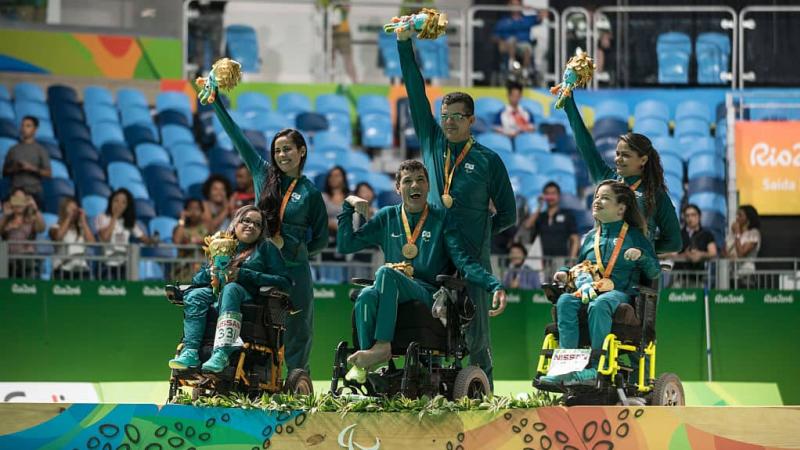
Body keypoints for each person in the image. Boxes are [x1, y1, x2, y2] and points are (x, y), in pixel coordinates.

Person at [399, 27, 517, 388]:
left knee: (477, 335)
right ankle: (426, 391)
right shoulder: (432, 141)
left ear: (472, 120)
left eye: (456, 116)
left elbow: (509, 215)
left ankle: (486, 398)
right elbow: (415, 89)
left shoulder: (488, 160)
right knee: (425, 326)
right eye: (444, 114)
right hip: (432, 250)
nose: (447, 121)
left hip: (472, 257)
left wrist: (478, 234)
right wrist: (404, 44)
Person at [337, 160, 507, 377]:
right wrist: (346, 207)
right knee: (366, 295)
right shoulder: (387, 216)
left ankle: (382, 346)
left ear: (428, 186)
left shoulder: (443, 218)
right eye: (408, 181)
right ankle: (367, 364)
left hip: (428, 293)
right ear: (398, 188)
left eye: (420, 180)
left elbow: (464, 261)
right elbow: (345, 245)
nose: (415, 186)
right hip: (391, 289)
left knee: (386, 273)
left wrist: (494, 284)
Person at [211, 94, 328, 375]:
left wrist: (296, 250)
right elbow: (237, 137)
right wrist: (216, 102)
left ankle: (298, 381)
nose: (281, 155)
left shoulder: (310, 192)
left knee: (298, 327)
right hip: (258, 262)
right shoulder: (263, 174)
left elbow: (321, 239)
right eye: (277, 150)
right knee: (256, 320)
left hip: (293, 270)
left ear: (302, 152)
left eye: (288, 149)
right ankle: (249, 374)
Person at [539, 180, 660, 386]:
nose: (597, 201)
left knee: (600, 303)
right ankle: (567, 368)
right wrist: (563, 273)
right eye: (596, 197)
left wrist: (641, 256)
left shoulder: (635, 237)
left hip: (620, 294)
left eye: (605, 198)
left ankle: (595, 368)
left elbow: (654, 271)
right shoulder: (589, 238)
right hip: (590, 292)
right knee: (566, 301)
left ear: (621, 208)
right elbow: (579, 268)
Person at [169, 205, 292, 372]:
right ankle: (190, 351)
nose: (251, 226)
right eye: (246, 221)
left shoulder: (266, 248)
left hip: (249, 299)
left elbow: (284, 280)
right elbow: (197, 280)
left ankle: (221, 353)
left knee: (231, 288)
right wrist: (210, 272)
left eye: (257, 224)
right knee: (195, 294)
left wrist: (244, 275)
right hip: (218, 293)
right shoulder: (222, 244)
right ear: (235, 223)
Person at [562, 93, 682, 255]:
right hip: (602, 270)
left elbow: (674, 242)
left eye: (625, 155)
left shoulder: (655, 194)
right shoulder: (608, 180)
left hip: (636, 276)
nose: (618, 159)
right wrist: (569, 104)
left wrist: (643, 248)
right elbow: (586, 145)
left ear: (643, 160)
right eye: (617, 154)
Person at [94, 188, 154, 280]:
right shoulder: (102, 217)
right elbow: (105, 238)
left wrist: (154, 240)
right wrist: (114, 217)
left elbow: (144, 239)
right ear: (111, 202)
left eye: (123, 202)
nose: (119, 205)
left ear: (127, 206)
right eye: (116, 201)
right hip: (106, 265)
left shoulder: (129, 222)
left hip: (123, 265)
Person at [521, 181, 580, 274]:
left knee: (559, 287)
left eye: (553, 193)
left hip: (561, 260)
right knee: (544, 287)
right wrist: (539, 206)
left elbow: (575, 239)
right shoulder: (540, 216)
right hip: (542, 261)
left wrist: (571, 259)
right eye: (547, 194)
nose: (550, 196)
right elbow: (527, 225)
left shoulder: (567, 215)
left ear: (559, 196)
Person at [2, 115, 51, 207]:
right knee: (8, 206)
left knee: (26, 207)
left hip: (33, 194)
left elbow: (48, 174)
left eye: (28, 126)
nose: (24, 128)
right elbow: (5, 172)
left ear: (35, 129)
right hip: (15, 192)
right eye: (23, 125)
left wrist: (31, 168)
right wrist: (15, 168)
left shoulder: (41, 150)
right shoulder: (13, 150)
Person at [492, 0, 541, 83]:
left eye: (518, 5)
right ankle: (511, 67)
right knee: (512, 41)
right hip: (508, 48)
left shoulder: (527, 19)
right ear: (509, 6)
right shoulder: (503, 21)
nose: (515, 7)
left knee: (526, 47)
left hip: (523, 47)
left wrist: (533, 8)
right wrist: (501, 41)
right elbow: (494, 36)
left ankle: (525, 71)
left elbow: (543, 15)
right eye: (513, 5)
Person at [0, 189, 44, 278]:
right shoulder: (6, 218)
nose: (19, 203)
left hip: (28, 261)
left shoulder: (32, 218)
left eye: (21, 200)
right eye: (16, 199)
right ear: (11, 201)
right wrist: (5, 215)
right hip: (9, 262)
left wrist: (35, 208)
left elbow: (41, 228)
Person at [49, 196, 94, 280]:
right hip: (62, 270)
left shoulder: (82, 228)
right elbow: (58, 237)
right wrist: (68, 218)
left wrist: (83, 222)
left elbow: (92, 243)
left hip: (82, 271)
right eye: (70, 208)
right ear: (64, 210)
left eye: (75, 209)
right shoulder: (55, 227)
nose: (74, 211)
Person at [674, 204, 718, 276]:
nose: (690, 218)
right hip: (679, 275)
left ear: (699, 216)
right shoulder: (678, 234)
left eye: (693, 215)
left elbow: (713, 252)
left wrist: (700, 254)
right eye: (687, 216)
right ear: (684, 218)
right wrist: (685, 255)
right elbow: (671, 254)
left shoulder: (707, 234)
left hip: (698, 276)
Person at [172, 198, 209, 281]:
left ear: (202, 211)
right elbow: (177, 241)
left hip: (201, 271)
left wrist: (201, 241)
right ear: (186, 211)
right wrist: (182, 219)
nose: (194, 212)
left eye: (197, 209)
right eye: (191, 208)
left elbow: (212, 242)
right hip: (183, 271)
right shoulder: (180, 228)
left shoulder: (206, 228)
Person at [725, 204, 761, 286]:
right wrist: (729, 257)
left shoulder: (753, 233)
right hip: (731, 275)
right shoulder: (732, 234)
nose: (737, 218)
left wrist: (738, 234)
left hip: (746, 275)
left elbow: (741, 254)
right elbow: (724, 251)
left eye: (740, 215)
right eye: (736, 215)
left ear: (748, 218)